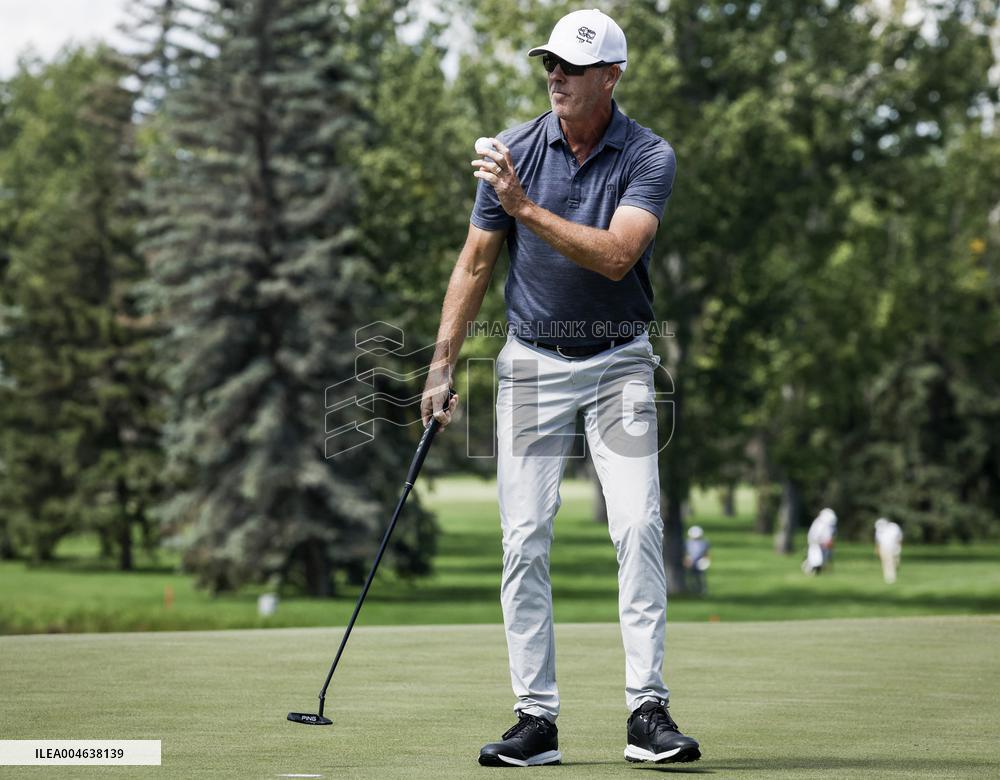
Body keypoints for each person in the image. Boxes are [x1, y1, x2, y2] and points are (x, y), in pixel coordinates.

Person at [420, 8, 698, 767]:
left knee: (638, 526)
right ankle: (534, 720)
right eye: (550, 64)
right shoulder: (514, 148)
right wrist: (442, 365)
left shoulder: (648, 156)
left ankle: (648, 711)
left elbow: (615, 257)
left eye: (572, 69)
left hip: (619, 366)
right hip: (532, 367)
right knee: (521, 539)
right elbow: (475, 264)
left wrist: (524, 207)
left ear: (611, 76)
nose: (556, 78)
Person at [802, 508, 837, 575]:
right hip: (816, 543)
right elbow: (815, 535)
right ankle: (811, 568)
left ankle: (818, 570)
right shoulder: (819, 523)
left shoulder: (829, 525)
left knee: (822, 558)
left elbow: (830, 536)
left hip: (823, 544)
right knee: (816, 558)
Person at [874, 517, 903, 584]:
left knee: (895, 563)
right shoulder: (879, 531)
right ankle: (890, 577)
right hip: (884, 548)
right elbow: (878, 541)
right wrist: (877, 549)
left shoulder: (894, 527)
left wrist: (898, 546)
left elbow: (899, 537)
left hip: (894, 547)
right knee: (887, 563)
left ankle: (892, 574)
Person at [683, 525, 711, 595]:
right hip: (690, 562)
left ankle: (702, 590)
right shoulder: (687, 543)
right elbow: (686, 553)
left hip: (700, 562)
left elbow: (706, 553)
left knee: (700, 577)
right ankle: (693, 590)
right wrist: (686, 560)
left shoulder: (704, 542)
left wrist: (706, 561)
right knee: (691, 577)